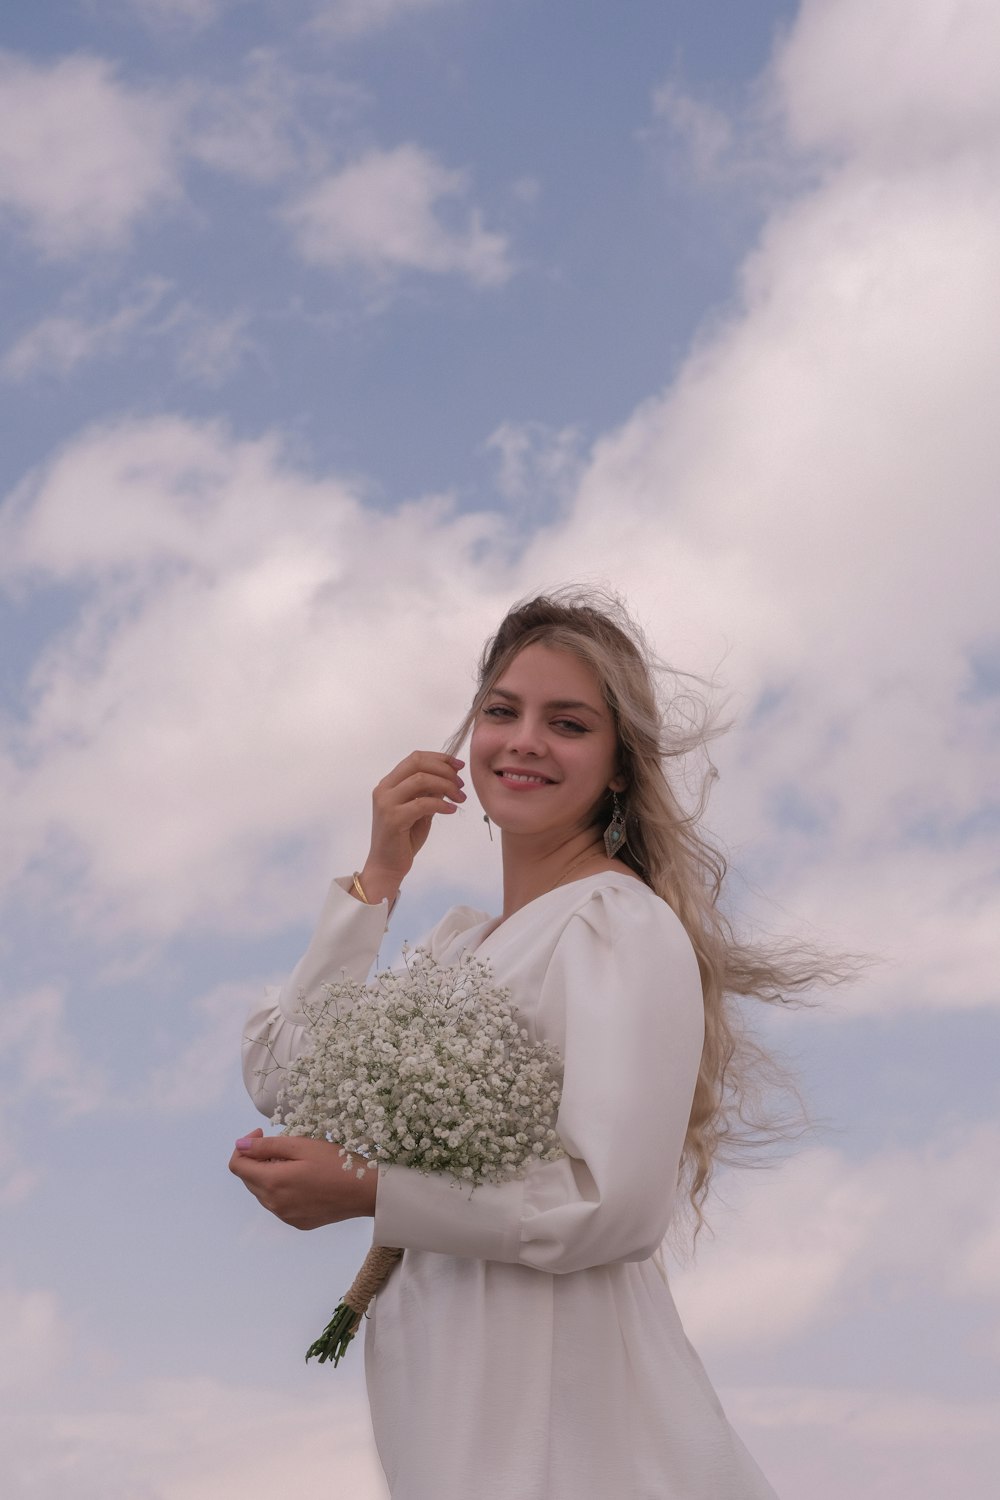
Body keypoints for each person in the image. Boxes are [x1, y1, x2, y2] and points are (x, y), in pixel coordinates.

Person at [231, 589, 827, 1500]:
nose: (524, 741)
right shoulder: (461, 946)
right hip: (448, 1385)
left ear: (621, 765)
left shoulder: (617, 928)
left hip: (561, 1401)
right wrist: (381, 871)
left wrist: (369, 1191)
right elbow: (288, 1081)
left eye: (569, 722)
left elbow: (614, 1206)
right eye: (501, 712)